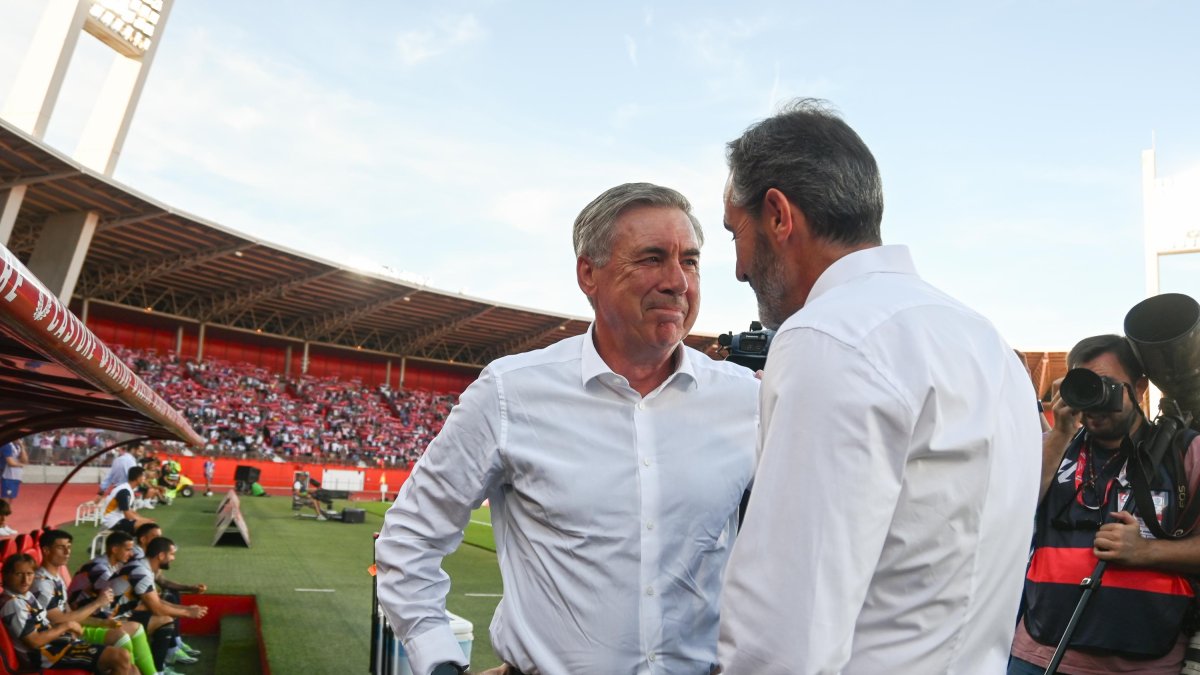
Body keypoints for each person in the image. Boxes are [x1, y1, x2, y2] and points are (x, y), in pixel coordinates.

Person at [375, 182, 759, 675]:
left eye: (689, 260)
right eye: (651, 258)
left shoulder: (744, 399)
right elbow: (409, 538)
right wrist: (440, 660)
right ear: (588, 273)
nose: (678, 282)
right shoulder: (510, 393)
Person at [715, 98, 1041, 674]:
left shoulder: (829, 335)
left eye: (733, 233)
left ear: (778, 215)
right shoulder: (985, 341)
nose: (739, 268)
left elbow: (785, 630)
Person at [1009, 334, 1200, 674]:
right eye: (1085, 386)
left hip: (1147, 662)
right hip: (1039, 653)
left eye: (1107, 385)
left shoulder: (1186, 452)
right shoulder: (1053, 445)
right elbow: (1010, 516)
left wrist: (1146, 551)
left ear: (1139, 387)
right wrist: (1061, 433)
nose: (1095, 400)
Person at [34, 530, 157, 675]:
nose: (67, 552)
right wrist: (97, 603)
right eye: (61, 547)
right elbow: (58, 619)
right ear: (46, 550)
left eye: (69, 546)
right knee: (125, 658)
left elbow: (68, 613)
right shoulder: (42, 583)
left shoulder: (56, 577)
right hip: (57, 643)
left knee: (135, 638)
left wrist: (103, 623)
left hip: (71, 630)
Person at [2, 553, 135, 674]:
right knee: (120, 657)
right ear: (6, 575)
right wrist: (66, 626)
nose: (25, 580)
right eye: (19, 574)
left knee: (131, 668)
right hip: (47, 656)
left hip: (57, 646)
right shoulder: (12, 603)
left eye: (29, 574)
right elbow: (34, 641)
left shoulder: (26, 594)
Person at [108, 537, 207, 673]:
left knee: (167, 614)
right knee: (165, 619)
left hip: (120, 614)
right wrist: (188, 613)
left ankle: (165, 660)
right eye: (172, 554)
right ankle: (159, 669)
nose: (173, 558)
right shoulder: (141, 571)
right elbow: (157, 608)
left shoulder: (143, 567)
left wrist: (186, 608)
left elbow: (156, 601)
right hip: (110, 620)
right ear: (161, 555)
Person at [100, 467, 153, 534]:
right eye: (144, 476)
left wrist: (142, 519)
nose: (145, 478)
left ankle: (134, 542)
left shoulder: (127, 489)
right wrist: (142, 520)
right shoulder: (125, 491)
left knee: (147, 525)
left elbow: (130, 510)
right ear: (138, 478)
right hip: (112, 521)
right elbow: (128, 515)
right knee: (146, 527)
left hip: (117, 519)